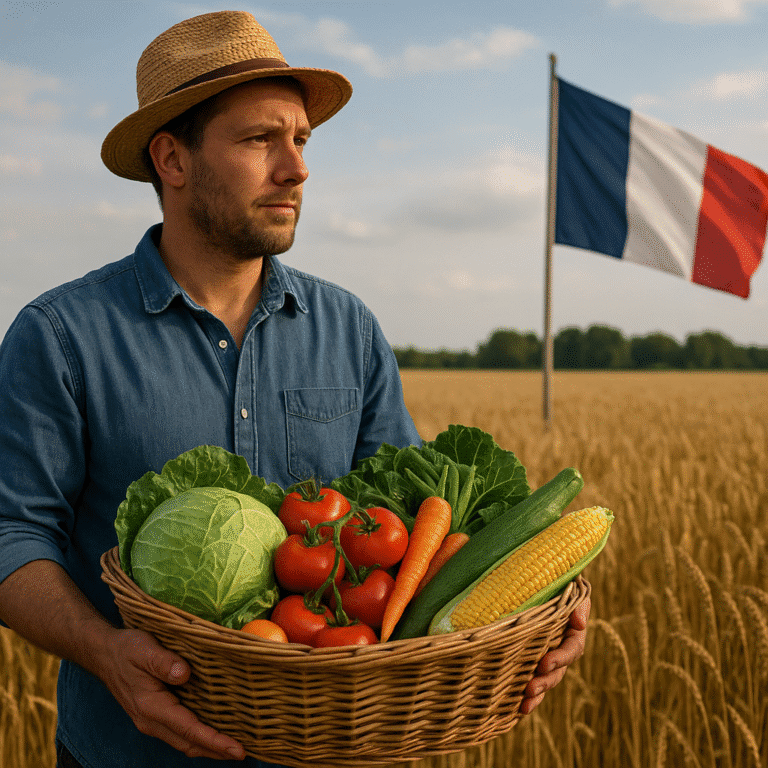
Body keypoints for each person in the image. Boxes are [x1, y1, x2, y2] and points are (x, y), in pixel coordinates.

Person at [0, 11, 590, 768]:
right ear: (172, 159)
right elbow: (13, 535)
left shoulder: (349, 328)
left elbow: (414, 529)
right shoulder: (61, 335)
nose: (296, 169)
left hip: (333, 752)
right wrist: (106, 653)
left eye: (302, 140)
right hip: (129, 751)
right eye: (260, 140)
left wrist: (526, 612)